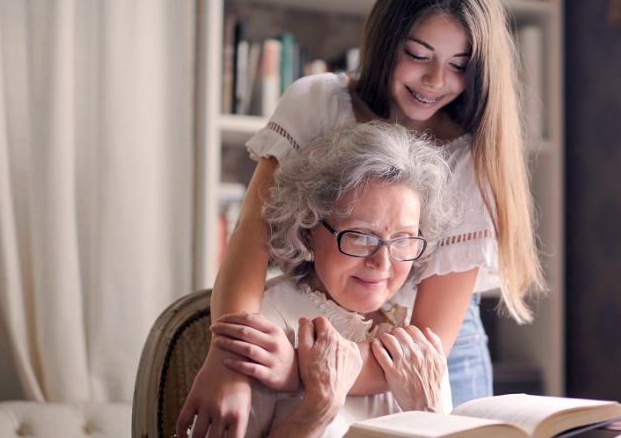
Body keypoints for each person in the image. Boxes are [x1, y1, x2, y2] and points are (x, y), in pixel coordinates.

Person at [177, 0, 544, 436]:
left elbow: (427, 339)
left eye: (459, 64)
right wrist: (230, 361)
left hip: (427, 348)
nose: (435, 80)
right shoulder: (319, 103)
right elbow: (251, 240)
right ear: (386, 43)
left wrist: (297, 369)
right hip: (316, 321)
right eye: (418, 54)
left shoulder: (470, 158)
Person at [192, 122, 452, 437]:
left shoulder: (416, 346)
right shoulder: (265, 328)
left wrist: (428, 415)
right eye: (359, 236)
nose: (382, 262)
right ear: (309, 228)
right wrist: (316, 412)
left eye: (403, 239)